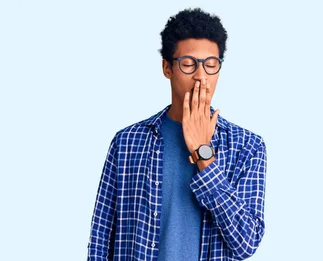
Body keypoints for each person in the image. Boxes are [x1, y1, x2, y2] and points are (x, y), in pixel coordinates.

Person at [86, 8, 267, 261]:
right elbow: (100, 241)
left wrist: (203, 153)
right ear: (167, 68)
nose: (201, 76)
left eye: (211, 65)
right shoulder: (127, 143)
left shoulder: (248, 146)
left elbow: (245, 243)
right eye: (189, 64)